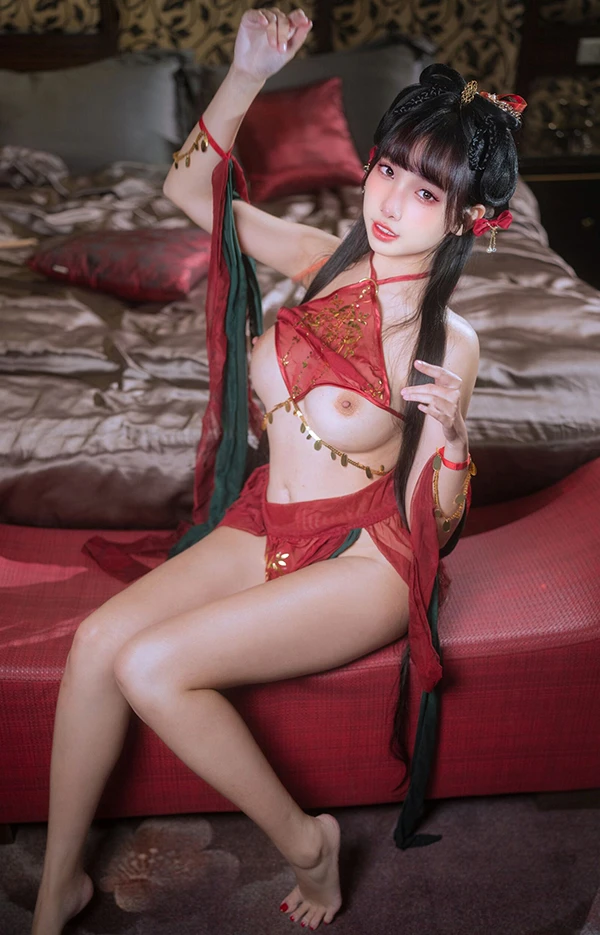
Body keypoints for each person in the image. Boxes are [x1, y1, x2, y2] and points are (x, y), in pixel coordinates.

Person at [32, 8, 526, 934]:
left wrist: (456, 438)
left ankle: (308, 842)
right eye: (387, 170)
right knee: (96, 643)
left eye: (425, 191)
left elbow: (442, 520)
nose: (389, 202)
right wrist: (248, 72)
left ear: (468, 217)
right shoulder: (321, 258)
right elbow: (190, 190)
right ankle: (57, 889)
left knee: (151, 664)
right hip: (267, 519)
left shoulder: (446, 338)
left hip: (364, 556)